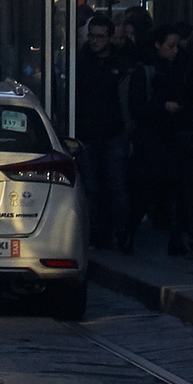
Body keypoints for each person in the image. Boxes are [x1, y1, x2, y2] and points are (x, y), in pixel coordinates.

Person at [124, 26, 191, 256]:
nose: (175, 50)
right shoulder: (147, 71)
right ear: (158, 45)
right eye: (171, 46)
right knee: (150, 190)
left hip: (165, 137)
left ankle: (169, 237)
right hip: (152, 139)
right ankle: (132, 233)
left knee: (168, 190)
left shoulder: (171, 68)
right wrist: (163, 107)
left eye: (176, 46)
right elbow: (137, 107)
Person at [74, 15, 129, 251]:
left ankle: (120, 235)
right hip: (89, 132)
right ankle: (99, 235)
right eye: (92, 36)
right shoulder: (80, 62)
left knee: (116, 186)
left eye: (100, 37)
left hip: (112, 131)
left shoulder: (119, 62)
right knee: (93, 187)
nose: (95, 41)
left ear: (109, 37)